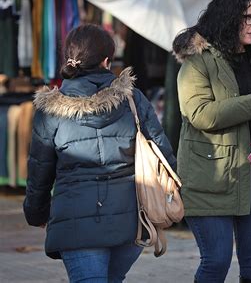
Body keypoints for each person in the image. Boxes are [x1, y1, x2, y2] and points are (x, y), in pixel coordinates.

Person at [23, 24, 176, 282]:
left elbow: (39, 170)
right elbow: (163, 153)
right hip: (131, 221)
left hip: (76, 225)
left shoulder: (51, 110)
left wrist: (36, 213)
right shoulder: (132, 99)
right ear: (107, 61)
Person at [173, 0, 251, 283]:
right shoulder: (196, 61)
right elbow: (199, 114)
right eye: (247, 18)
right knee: (216, 261)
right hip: (211, 174)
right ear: (228, 17)